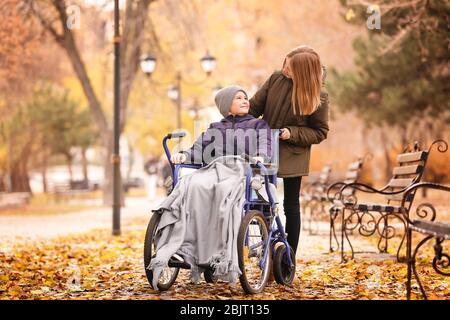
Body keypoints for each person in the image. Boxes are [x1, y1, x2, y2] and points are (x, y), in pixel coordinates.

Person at [249, 46, 330, 256]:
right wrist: (236, 113)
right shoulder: (276, 79)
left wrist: (291, 133)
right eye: (285, 63)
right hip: (265, 150)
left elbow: (320, 132)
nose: (285, 69)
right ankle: (265, 245)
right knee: (260, 198)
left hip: (293, 154)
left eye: (290, 67)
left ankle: (288, 256)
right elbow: (254, 108)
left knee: (291, 206)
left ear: (302, 72)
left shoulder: (318, 95)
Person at [171, 85, 272, 165]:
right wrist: (185, 155)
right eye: (239, 98)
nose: (245, 101)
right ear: (226, 105)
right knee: (192, 184)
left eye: (245, 98)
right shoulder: (215, 128)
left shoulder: (258, 124)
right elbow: (199, 149)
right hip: (217, 171)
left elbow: (265, 143)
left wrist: (261, 156)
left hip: (246, 171)